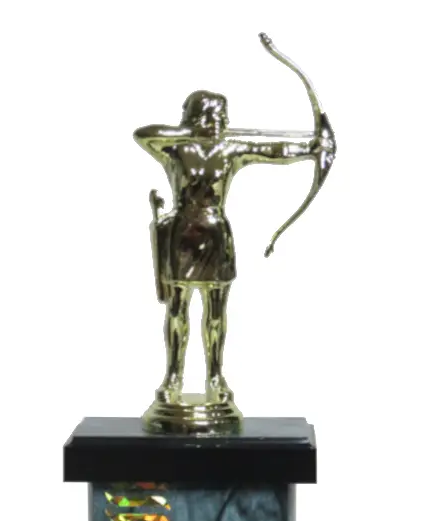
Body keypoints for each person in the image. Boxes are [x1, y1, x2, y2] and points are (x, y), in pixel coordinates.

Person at [135, 90, 324, 406]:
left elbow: (271, 150)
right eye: (213, 117)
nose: (220, 123)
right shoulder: (175, 149)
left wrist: (311, 148)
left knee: (216, 311)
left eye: (223, 117)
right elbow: (143, 134)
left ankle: (215, 377)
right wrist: (188, 132)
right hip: (183, 236)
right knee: (177, 308)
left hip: (215, 233)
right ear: (196, 117)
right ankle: (173, 378)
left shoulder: (230, 150)